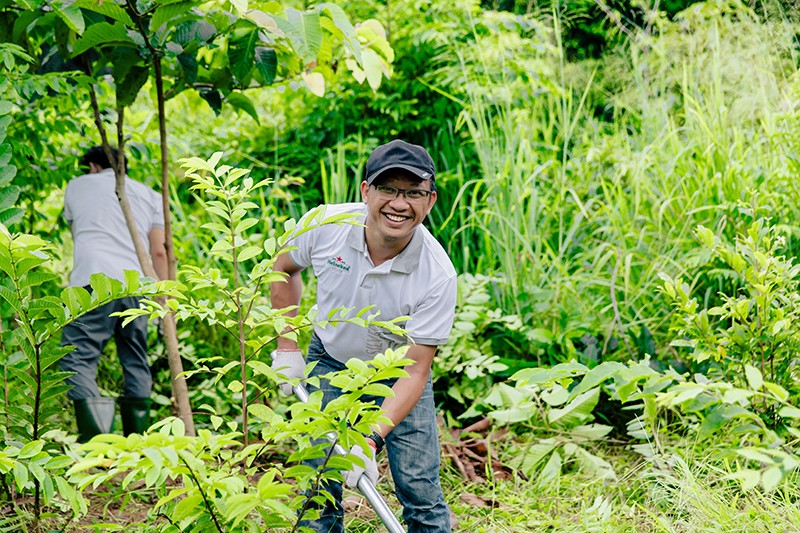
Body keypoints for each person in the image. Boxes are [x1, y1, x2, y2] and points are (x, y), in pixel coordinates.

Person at [270, 139, 457, 532]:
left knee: (421, 491)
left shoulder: (437, 274)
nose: (399, 203)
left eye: (413, 193)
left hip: (398, 374)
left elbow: (416, 369)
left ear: (431, 200)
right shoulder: (325, 226)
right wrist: (287, 345)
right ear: (366, 190)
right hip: (332, 360)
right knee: (317, 486)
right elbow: (282, 268)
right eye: (388, 189)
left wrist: (368, 439)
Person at [60, 146, 167, 442]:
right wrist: (164, 295)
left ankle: (96, 447)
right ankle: (138, 446)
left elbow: (76, 230)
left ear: (93, 166)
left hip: (90, 284)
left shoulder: (76, 187)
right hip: (136, 287)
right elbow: (159, 250)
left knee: (77, 359)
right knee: (135, 357)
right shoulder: (149, 195)